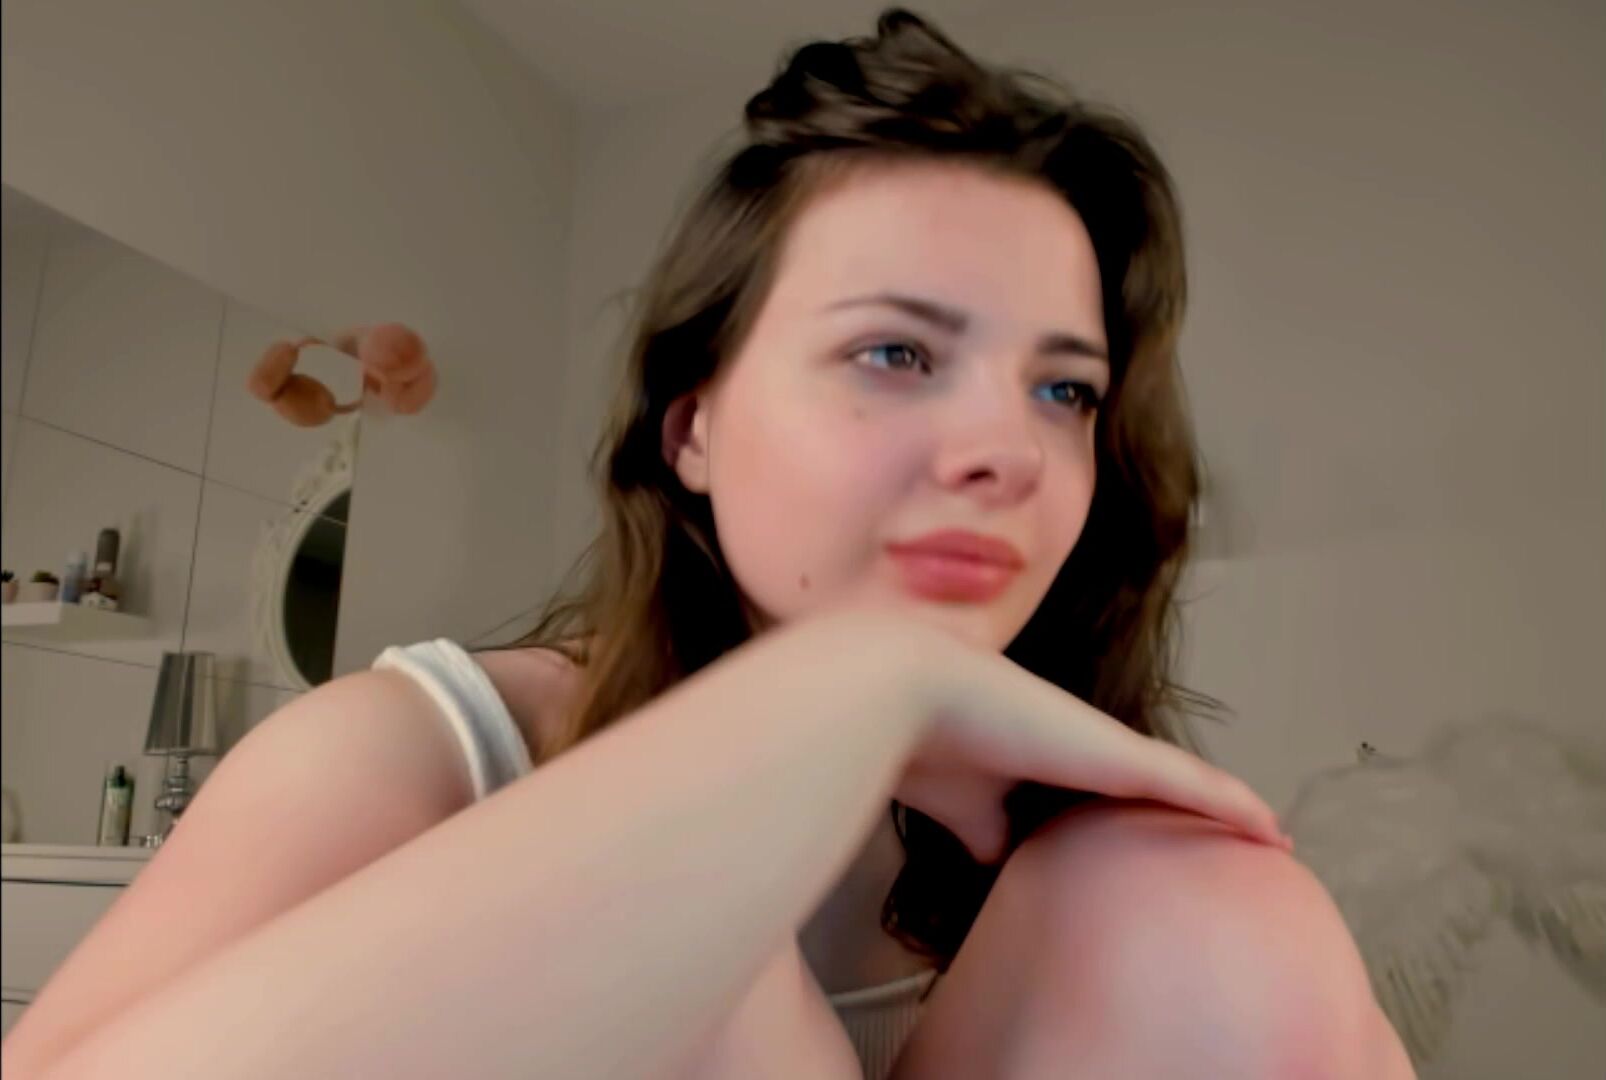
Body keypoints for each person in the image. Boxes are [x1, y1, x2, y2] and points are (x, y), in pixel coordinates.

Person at [2, 10, 1413, 1079]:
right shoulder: (417, 749)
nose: (1011, 450)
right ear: (692, 431)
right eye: (895, 352)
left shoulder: (1082, 866)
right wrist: (839, 691)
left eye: (1065, 391)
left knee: (1206, 906)